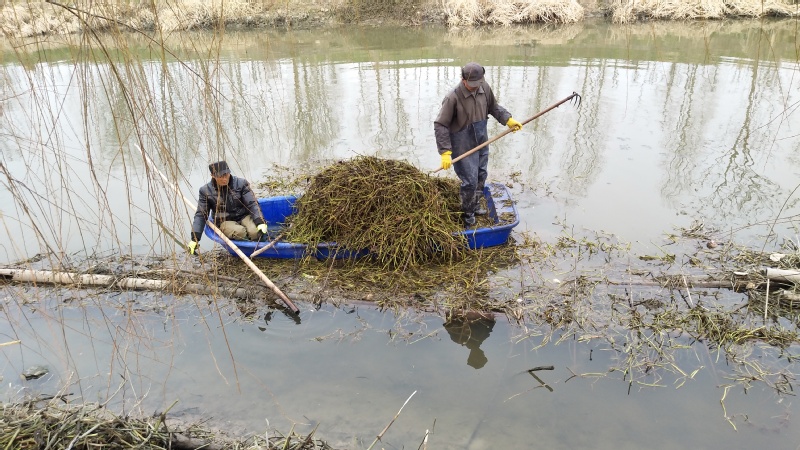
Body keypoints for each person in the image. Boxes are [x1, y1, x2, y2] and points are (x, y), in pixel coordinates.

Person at [434, 62, 522, 227]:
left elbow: (494, 107)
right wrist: (445, 152)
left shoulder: (484, 88)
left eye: (478, 83)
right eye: (471, 84)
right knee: (470, 181)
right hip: (462, 144)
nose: (475, 87)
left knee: (482, 174)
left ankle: (474, 204)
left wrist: (508, 119)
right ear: (463, 79)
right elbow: (440, 125)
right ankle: (467, 213)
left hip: (481, 140)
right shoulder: (452, 97)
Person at [187, 160, 268, 255]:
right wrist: (195, 238)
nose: (224, 179)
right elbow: (201, 214)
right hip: (224, 220)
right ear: (213, 176)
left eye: (226, 175)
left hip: (243, 215)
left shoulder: (241, 183)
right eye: (220, 176)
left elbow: (252, 203)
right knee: (240, 232)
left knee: (255, 231)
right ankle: (248, 249)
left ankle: (261, 244)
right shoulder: (205, 191)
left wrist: (259, 221)